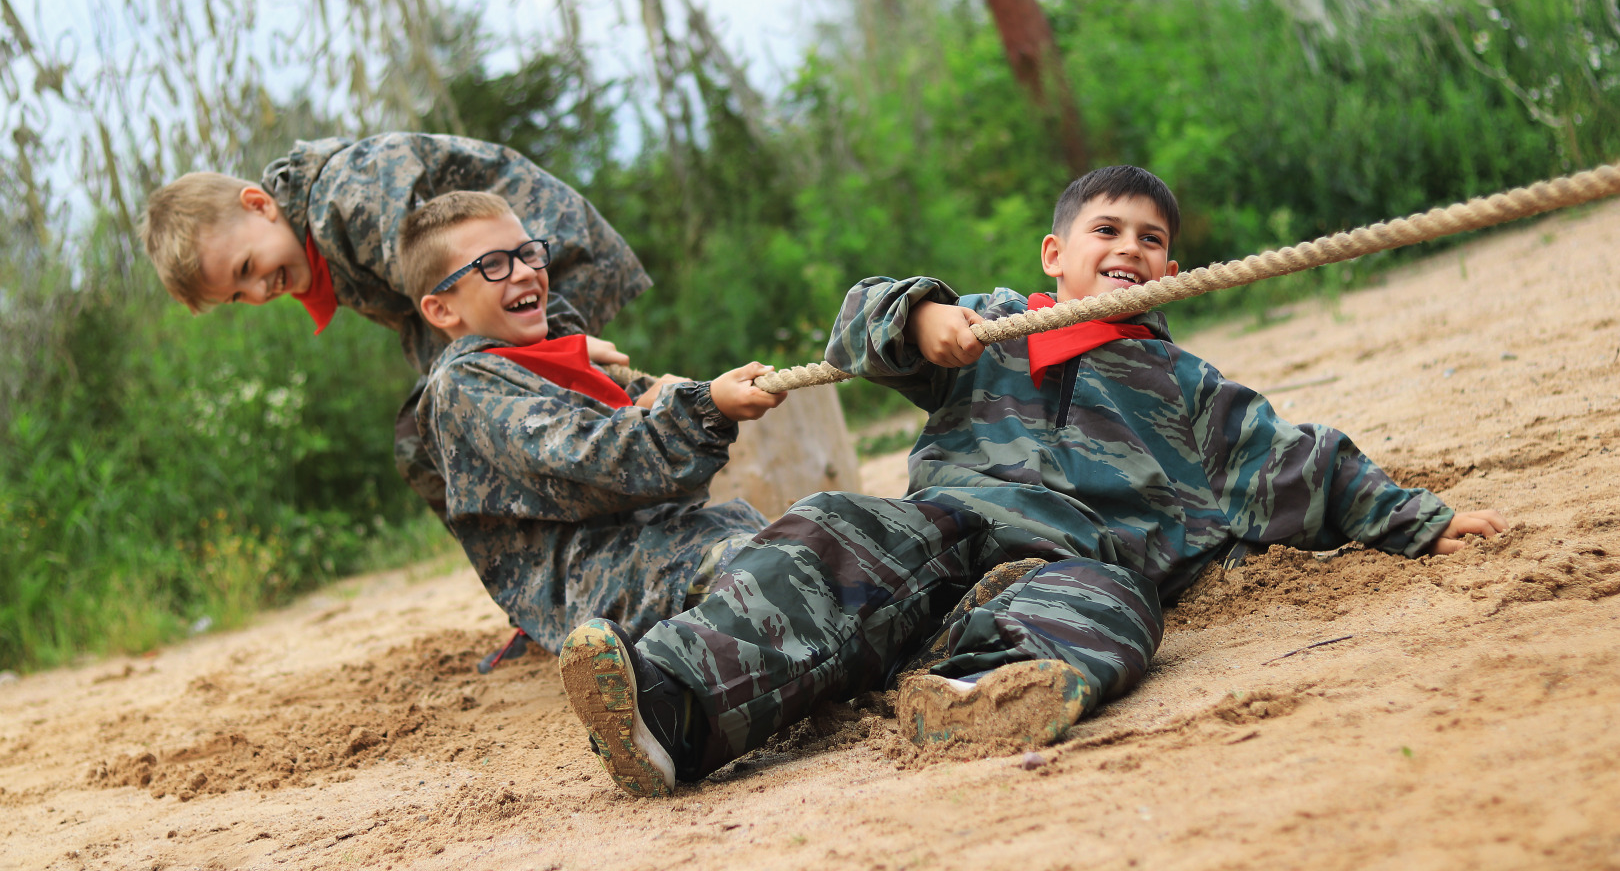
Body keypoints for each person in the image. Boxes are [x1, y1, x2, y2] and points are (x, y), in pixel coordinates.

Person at [555, 164, 1508, 798]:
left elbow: (1304, 464)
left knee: (1114, 608)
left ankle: (977, 697)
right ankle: (672, 706)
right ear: (1058, 254)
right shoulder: (989, 330)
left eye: (1150, 239)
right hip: (940, 534)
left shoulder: (1187, 389)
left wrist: (1423, 519)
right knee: (830, 529)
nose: (1129, 249)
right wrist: (921, 316)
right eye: (1108, 230)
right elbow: (858, 324)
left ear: (1171, 268)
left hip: (1065, 564)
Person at [139, 133, 652, 516]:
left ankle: (623, 519)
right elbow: (432, 329)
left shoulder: (347, 200)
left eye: (247, 268)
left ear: (259, 205)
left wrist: (565, 344)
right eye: (237, 296)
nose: (257, 292)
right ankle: (553, 563)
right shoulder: (320, 249)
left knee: (440, 427)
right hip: (501, 288)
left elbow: (466, 277)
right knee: (429, 431)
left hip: (540, 256)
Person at [400, 190, 788, 654]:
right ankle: (664, 696)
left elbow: (630, 415)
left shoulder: (544, 354)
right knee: (777, 585)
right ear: (442, 309)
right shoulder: (465, 387)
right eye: (494, 265)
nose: (525, 271)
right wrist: (706, 407)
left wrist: (661, 400)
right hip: (608, 585)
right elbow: (596, 459)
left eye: (527, 253)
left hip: (671, 547)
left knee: (814, 548)